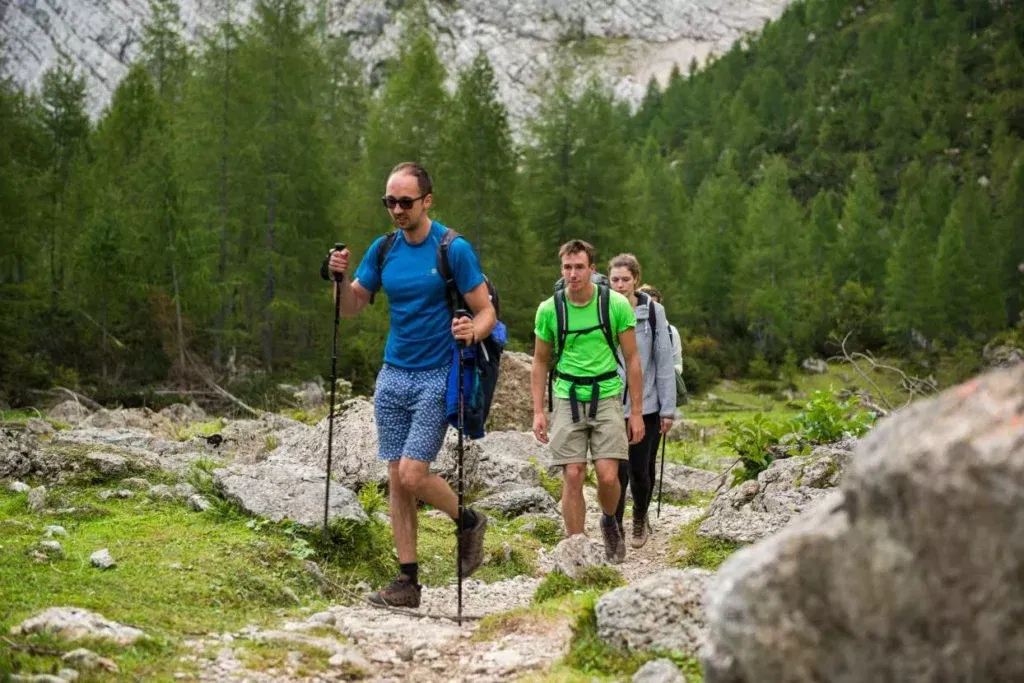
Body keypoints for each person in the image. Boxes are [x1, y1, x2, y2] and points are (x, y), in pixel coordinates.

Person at [327, 162, 495, 608]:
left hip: (438, 373)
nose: (397, 210)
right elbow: (351, 308)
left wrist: (471, 333)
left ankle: (468, 520)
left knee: (413, 473)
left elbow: (486, 311)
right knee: (396, 481)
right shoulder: (383, 250)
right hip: (393, 375)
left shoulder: (452, 248)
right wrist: (338, 278)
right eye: (390, 202)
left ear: (427, 201)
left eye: (405, 201)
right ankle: (408, 582)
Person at [530, 239, 645, 563]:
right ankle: (576, 547)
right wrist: (539, 411)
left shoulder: (615, 306)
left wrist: (636, 412)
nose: (573, 274)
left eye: (579, 267)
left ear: (592, 270)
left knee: (608, 475)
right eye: (567, 267)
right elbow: (539, 361)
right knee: (574, 473)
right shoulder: (550, 309)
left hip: (607, 393)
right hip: (567, 395)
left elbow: (632, 358)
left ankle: (610, 519)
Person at [608, 257, 675, 549]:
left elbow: (663, 361)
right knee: (615, 473)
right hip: (610, 405)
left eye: (625, 279)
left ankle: (639, 517)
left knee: (639, 470)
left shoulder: (653, 312)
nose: (620, 285)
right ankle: (617, 526)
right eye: (614, 280)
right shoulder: (603, 308)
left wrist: (668, 409)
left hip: (646, 405)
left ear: (636, 278)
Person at [638, 284, 683, 377]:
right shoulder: (628, 327)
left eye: (654, 306)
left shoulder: (671, 331)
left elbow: (677, 363)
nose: (651, 309)